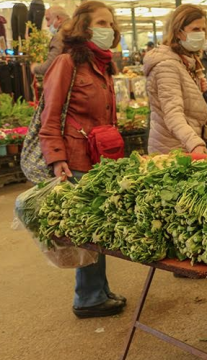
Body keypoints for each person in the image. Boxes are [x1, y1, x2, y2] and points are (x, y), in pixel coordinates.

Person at [39, 1, 126, 319]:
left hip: (100, 159)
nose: (110, 28)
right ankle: (88, 298)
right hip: (76, 160)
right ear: (84, 28)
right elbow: (50, 117)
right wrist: (56, 158)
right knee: (87, 230)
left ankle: (99, 289)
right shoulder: (67, 63)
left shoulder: (100, 65)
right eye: (102, 22)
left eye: (112, 23)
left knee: (99, 228)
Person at [143, 4, 207, 155]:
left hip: (183, 145)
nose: (201, 34)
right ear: (178, 32)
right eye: (195, 29)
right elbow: (173, 113)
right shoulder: (167, 66)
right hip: (171, 150)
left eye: (203, 29)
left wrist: (196, 88)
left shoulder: (187, 61)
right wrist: (195, 144)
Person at [30, 5, 69, 75]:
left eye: (48, 19)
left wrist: (35, 68)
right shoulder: (76, 29)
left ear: (58, 19)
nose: (47, 25)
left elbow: (50, 66)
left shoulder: (60, 36)